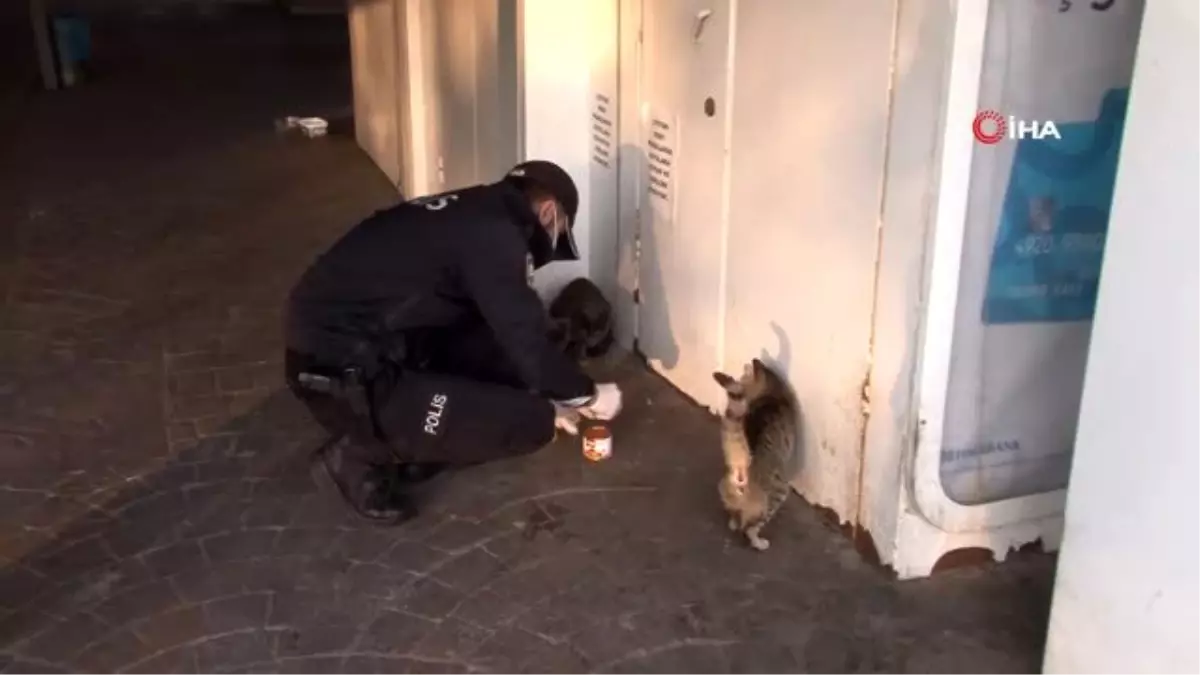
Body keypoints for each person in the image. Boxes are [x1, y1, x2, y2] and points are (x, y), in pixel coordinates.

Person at [283, 160, 623, 525]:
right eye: (559, 232)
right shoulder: (494, 235)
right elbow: (524, 339)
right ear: (548, 211)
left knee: (510, 364)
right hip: (341, 373)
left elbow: (508, 327)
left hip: (366, 346)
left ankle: (416, 442)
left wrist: (551, 374)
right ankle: (356, 454)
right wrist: (584, 394)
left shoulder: (474, 213)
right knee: (532, 420)